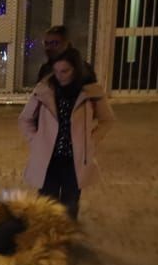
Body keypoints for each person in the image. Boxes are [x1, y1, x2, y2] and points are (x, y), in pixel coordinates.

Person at [20, 47, 114, 220]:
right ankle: (47, 238)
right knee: (46, 205)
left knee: (70, 205)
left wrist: (92, 140)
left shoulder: (91, 92)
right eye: (56, 71)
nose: (60, 76)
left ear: (75, 70)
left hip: (75, 158)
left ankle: (65, 239)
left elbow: (107, 119)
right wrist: (35, 140)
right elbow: (25, 119)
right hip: (49, 158)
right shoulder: (44, 90)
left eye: (65, 71)